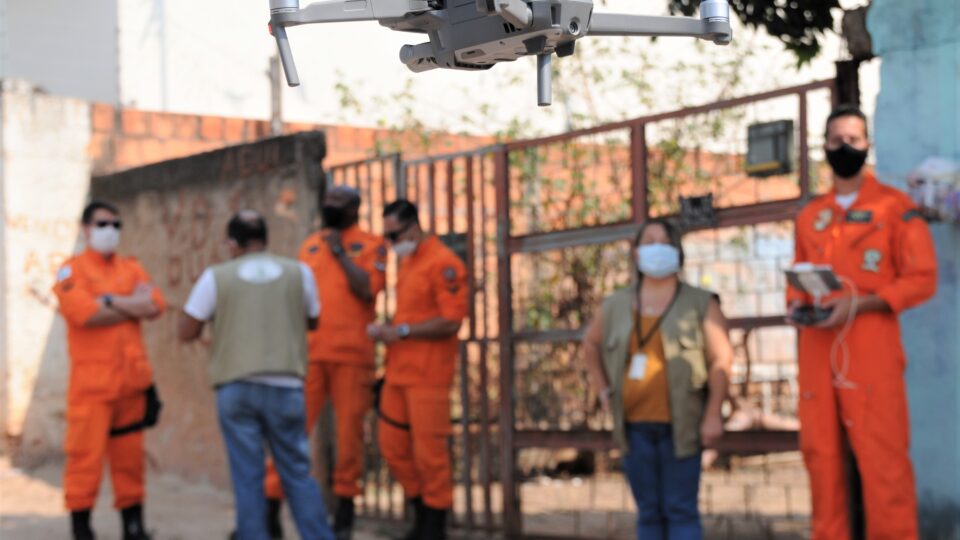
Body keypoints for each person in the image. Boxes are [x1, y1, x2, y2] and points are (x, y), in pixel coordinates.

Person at [787, 105, 938, 540]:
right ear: (824, 147)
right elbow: (798, 277)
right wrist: (798, 306)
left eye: (853, 139)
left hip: (872, 349)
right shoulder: (810, 215)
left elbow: (922, 279)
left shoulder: (895, 208)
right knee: (821, 461)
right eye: (836, 141)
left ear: (868, 144)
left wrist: (867, 304)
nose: (844, 148)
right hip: (818, 350)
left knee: (884, 463)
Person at [178, 210, 335, 540]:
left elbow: (187, 329)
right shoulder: (299, 273)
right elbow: (313, 320)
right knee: (296, 472)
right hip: (287, 386)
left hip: (237, 387)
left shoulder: (216, 276)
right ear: (264, 239)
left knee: (247, 476)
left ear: (232, 243)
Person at [581, 218, 733, 540]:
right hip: (634, 428)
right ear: (636, 254)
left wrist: (713, 414)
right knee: (648, 513)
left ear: (677, 251)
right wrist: (603, 389)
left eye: (664, 241)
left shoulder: (700, 302)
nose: (657, 248)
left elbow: (722, 359)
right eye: (649, 241)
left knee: (680, 510)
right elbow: (590, 344)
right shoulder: (616, 304)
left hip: (682, 426)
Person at [263, 186, 386, 540]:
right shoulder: (310, 245)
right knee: (290, 430)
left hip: (352, 358)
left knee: (349, 438)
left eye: (339, 204)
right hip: (311, 357)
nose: (330, 207)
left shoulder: (372, 245)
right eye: (328, 202)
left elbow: (367, 289)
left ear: (354, 209)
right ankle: (270, 506)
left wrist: (340, 253)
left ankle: (344, 514)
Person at [52, 201, 166, 540]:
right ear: (86, 228)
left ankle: (134, 527)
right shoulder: (71, 271)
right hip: (91, 391)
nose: (111, 231)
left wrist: (109, 301)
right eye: (103, 224)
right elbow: (85, 314)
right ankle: (82, 528)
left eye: (117, 225)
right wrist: (130, 305)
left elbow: (155, 305)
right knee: (84, 462)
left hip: (131, 386)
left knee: (130, 463)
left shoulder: (131, 268)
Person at [367, 199, 468, 540]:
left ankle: (433, 526)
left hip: (429, 378)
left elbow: (452, 320)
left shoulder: (444, 263)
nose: (391, 243)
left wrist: (403, 332)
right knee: (392, 445)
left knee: (431, 455)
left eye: (394, 234)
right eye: (387, 236)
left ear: (414, 227)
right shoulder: (409, 264)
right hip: (399, 373)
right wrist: (390, 330)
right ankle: (420, 509)